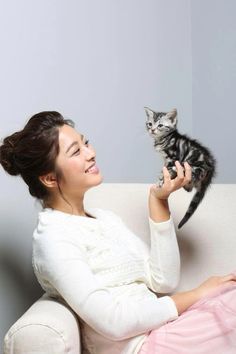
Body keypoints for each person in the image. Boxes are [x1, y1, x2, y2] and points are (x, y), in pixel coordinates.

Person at [0, 111, 236, 354]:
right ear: (50, 178)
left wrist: (158, 200)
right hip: (146, 346)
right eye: (76, 151)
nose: (91, 153)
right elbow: (114, 323)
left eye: (86, 143)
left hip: (167, 329)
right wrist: (198, 293)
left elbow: (163, 280)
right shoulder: (53, 238)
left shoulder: (105, 218)